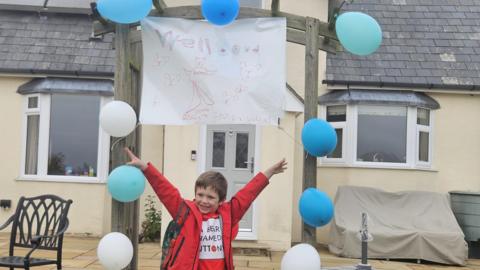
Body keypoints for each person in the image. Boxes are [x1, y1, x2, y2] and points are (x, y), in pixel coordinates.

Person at [125, 148, 287, 270]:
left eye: (210, 197)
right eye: (200, 195)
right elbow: (165, 190)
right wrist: (145, 168)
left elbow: (248, 193)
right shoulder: (185, 212)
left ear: (221, 200)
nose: (204, 201)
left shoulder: (228, 214)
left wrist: (269, 172)